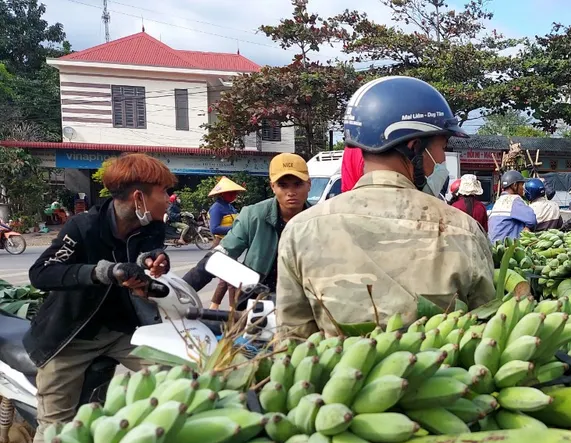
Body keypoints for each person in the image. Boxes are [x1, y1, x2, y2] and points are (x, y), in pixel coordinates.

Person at [7, 153, 174, 443]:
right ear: (138, 197)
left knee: (178, 383)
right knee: (53, 431)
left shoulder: (153, 227)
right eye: (163, 192)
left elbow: (149, 266)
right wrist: (99, 272)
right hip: (70, 338)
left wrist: (152, 267)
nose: (169, 200)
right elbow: (41, 274)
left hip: (123, 333)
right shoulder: (82, 227)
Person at [277, 76, 494, 335]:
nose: (441, 160)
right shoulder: (463, 230)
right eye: (442, 147)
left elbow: (292, 340)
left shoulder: (300, 230)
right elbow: (484, 329)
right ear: (415, 146)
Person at [183, 153, 311, 297]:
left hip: (307, 300)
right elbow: (222, 254)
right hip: (258, 299)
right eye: (283, 185)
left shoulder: (319, 221)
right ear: (273, 187)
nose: (291, 192)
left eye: (298, 184)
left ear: (309, 184)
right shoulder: (253, 215)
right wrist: (182, 289)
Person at [206, 177, 246, 309]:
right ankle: (232, 310)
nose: (235, 195)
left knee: (225, 279)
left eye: (235, 193)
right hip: (221, 244)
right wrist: (234, 228)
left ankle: (214, 307)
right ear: (223, 194)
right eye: (231, 193)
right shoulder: (216, 208)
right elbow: (214, 229)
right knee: (231, 278)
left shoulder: (230, 207)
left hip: (231, 244)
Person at [488, 170, 536, 243]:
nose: (523, 188)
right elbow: (532, 220)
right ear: (515, 185)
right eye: (521, 185)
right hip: (507, 246)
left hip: (493, 245)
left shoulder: (499, 200)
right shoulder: (514, 200)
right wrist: (527, 227)